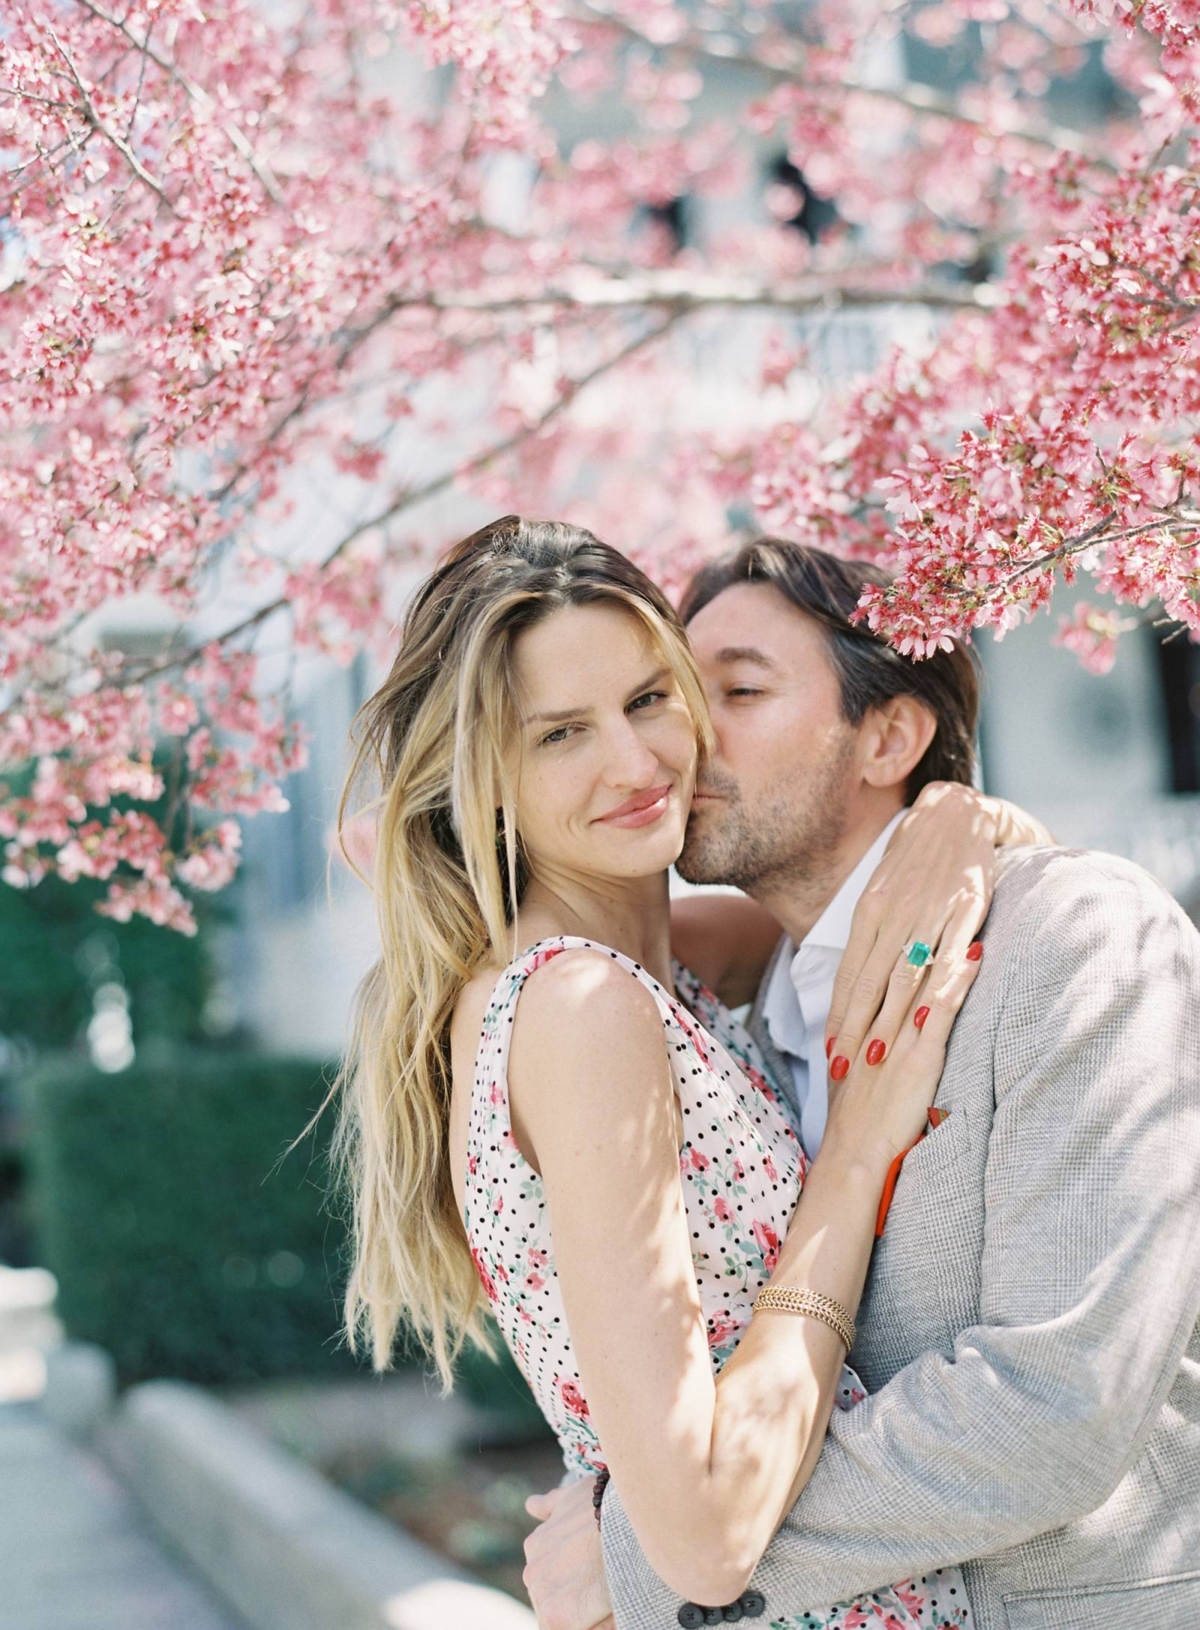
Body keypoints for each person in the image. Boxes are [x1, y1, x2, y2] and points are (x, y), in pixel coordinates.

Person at [522, 536, 1200, 1630]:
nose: (685, 737)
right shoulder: (716, 1017)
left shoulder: (1079, 944)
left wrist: (650, 1553)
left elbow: (1058, 1402)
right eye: (677, 693)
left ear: (888, 733)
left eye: (738, 689)